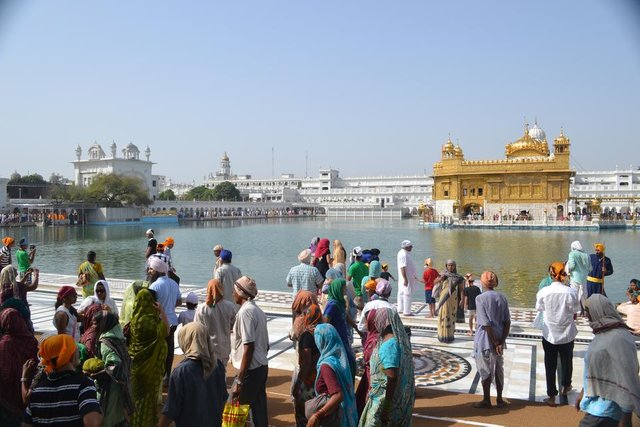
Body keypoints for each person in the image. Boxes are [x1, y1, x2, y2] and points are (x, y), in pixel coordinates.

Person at [576, 294, 640, 426]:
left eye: (588, 312)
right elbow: (596, 368)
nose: (587, 316)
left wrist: (626, 415)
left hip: (606, 409)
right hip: (597, 404)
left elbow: (627, 376)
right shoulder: (603, 333)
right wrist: (584, 391)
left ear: (598, 311)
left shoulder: (618, 338)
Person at [23, 335, 103, 427]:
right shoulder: (84, 384)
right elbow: (92, 423)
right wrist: (100, 411)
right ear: (71, 356)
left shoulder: (38, 391)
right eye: (75, 349)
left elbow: (26, 424)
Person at [160, 322, 228, 427]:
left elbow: (171, 410)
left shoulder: (181, 372)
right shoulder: (218, 365)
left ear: (186, 340)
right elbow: (223, 400)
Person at [359, 308, 415, 426]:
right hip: (390, 397)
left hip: (382, 400)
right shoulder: (396, 340)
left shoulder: (389, 345)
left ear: (381, 322)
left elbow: (392, 376)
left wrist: (387, 407)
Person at [536, 261, 580, 406]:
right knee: (567, 361)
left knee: (550, 364)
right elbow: (575, 310)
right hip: (567, 333)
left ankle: (551, 396)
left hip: (550, 334)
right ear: (565, 275)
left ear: (551, 274)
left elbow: (540, 307)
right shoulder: (571, 292)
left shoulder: (544, 292)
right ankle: (566, 386)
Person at [230, 276, 270, 427]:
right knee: (259, 410)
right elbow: (265, 345)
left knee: (235, 408)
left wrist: (240, 380)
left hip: (250, 370)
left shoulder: (245, 312)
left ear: (240, 293)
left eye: (234, 291)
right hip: (261, 366)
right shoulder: (257, 310)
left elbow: (249, 346)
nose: (233, 294)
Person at [128, 288, 169, 427]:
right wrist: (161, 311)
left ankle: (135, 422)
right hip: (150, 369)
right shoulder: (149, 321)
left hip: (138, 366)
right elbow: (166, 331)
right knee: (147, 398)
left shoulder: (135, 319)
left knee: (137, 398)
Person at [471, 271, 511, 409]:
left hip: (485, 341)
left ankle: (487, 400)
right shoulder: (502, 297)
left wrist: (494, 342)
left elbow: (485, 323)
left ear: (482, 283)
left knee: (485, 370)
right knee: (498, 369)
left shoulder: (480, 298)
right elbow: (507, 322)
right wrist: (501, 341)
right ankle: (499, 399)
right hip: (500, 338)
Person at [306, 323, 358, 427]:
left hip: (334, 419)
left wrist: (317, 415)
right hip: (348, 414)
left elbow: (338, 395)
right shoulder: (339, 359)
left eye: (317, 337)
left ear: (322, 341)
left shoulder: (326, 366)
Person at [92, 311, 133, 427]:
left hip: (110, 386)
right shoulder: (117, 336)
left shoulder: (105, 342)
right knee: (117, 413)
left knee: (108, 413)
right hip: (121, 382)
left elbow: (115, 364)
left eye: (95, 323)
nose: (93, 327)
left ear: (104, 324)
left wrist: (99, 374)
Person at [0, 308, 38, 426]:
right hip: (29, 393)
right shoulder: (31, 341)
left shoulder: (4, 344)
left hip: (6, 400)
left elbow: (5, 373)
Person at [148, 256, 181, 382]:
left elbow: (150, 305)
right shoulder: (173, 283)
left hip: (160, 322)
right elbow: (178, 300)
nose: (149, 272)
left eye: (151, 269)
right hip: (172, 322)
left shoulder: (155, 286)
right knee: (170, 349)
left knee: (159, 350)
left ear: (157, 270)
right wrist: (169, 305)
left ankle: (159, 376)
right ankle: (167, 375)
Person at [291, 303, 323, 426]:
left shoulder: (307, 336)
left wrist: (298, 384)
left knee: (303, 412)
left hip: (308, 382)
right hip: (320, 379)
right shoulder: (323, 332)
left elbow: (306, 363)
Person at [194, 278, 237, 369]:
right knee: (222, 370)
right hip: (224, 346)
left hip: (208, 347)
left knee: (209, 372)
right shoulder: (229, 306)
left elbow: (197, 329)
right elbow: (234, 325)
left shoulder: (202, 309)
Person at [323, 278, 358, 378]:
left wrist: (357, 329)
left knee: (350, 364)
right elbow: (325, 323)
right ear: (337, 289)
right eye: (343, 288)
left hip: (343, 338)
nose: (345, 290)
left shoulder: (340, 302)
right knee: (346, 364)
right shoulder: (332, 305)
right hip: (336, 340)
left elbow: (346, 317)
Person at [435, 260, 464, 343]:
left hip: (453, 298)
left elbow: (462, 290)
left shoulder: (458, 277)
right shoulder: (443, 274)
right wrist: (441, 278)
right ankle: (442, 336)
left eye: (452, 265)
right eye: (449, 265)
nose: (450, 267)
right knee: (443, 315)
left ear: (455, 266)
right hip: (443, 298)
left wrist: (462, 299)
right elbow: (434, 282)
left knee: (451, 317)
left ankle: (450, 336)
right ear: (446, 266)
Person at [565, 240, 591, 314]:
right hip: (584, 278)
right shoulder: (586, 255)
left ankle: (576, 311)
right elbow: (590, 268)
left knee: (574, 294)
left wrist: (567, 267)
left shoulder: (572, 254)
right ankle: (584, 310)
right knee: (584, 294)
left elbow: (572, 266)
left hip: (575, 278)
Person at [397, 240, 418, 316]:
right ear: (406, 247)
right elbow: (402, 267)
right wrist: (405, 279)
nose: (412, 247)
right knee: (407, 293)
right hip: (406, 278)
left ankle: (400, 309)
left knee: (401, 292)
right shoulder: (403, 254)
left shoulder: (403, 253)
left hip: (405, 277)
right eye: (410, 246)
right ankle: (407, 311)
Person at [347, 247, 368, 311]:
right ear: (361, 256)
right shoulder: (365, 266)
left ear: (353, 256)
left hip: (356, 294)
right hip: (364, 294)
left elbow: (348, 280)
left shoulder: (353, 267)